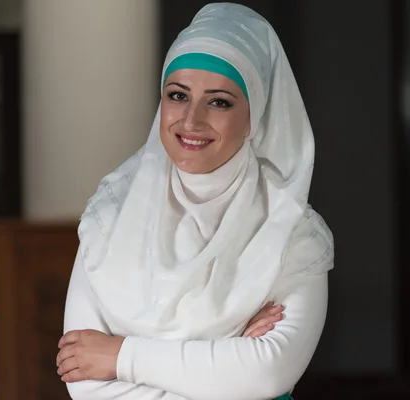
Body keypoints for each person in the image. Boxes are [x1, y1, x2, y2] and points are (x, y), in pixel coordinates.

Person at [54, 2, 334, 399]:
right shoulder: (110, 216)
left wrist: (121, 356)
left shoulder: (290, 230)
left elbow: (267, 373)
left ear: (256, 115)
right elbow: (84, 381)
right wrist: (226, 358)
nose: (190, 120)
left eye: (219, 101)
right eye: (178, 95)